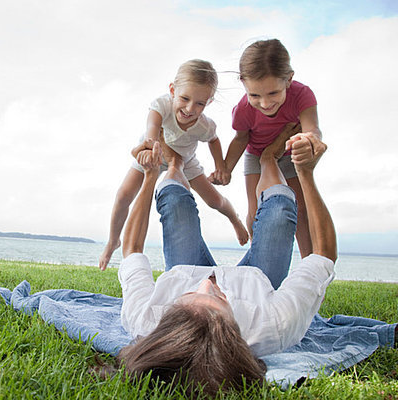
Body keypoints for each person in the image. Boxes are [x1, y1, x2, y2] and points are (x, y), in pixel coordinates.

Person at [115, 128, 336, 396]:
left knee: (173, 198)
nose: (209, 285)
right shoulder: (274, 325)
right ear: (236, 332)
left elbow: (132, 249)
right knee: (279, 210)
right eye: (219, 301)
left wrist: (150, 175)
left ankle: (175, 163)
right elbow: (323, 255)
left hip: (187, 268)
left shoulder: (144, 318)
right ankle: (268, 158)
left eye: (191, 296)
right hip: (257, 277)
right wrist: (305, 173)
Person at [98, 59, 249, 270]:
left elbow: (213, 140)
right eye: (185, 98)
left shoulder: (205, 125)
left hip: (186, 161)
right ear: (172, 90)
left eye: (200, 103)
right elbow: (153, 124)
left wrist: (220, 166)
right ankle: (113, 240)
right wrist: (150, 147)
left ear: (209, 102)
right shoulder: (162, 105)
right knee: (124, 195)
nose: (190, 108)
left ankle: (235, 219)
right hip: (152, 152)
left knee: (214, 200)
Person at [218, 39, 322, 258]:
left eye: (273, 94)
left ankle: (309, 266)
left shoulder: (302, 95)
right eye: (255, 95)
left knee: (300, 210)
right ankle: (260, 259)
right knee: (256, 211)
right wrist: (226, 168)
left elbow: (312, 128)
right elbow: (240, 139)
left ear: (288, 79)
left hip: (290, 153)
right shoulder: (243, 110)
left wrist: (310, 140)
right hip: (256, 154)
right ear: (243, 82)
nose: (264, 103)